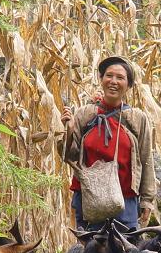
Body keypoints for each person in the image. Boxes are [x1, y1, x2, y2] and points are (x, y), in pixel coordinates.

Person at [61, 56, 156, 231]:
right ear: (101, 79)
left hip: (125, 202)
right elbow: (70, 155)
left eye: (120, 78)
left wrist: (147, 201)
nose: (113, 81)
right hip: (89, 199)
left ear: (129, 85)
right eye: (109, 76)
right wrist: (69, 129)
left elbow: (145, 159)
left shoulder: (136, 118)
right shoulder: (85, 114)